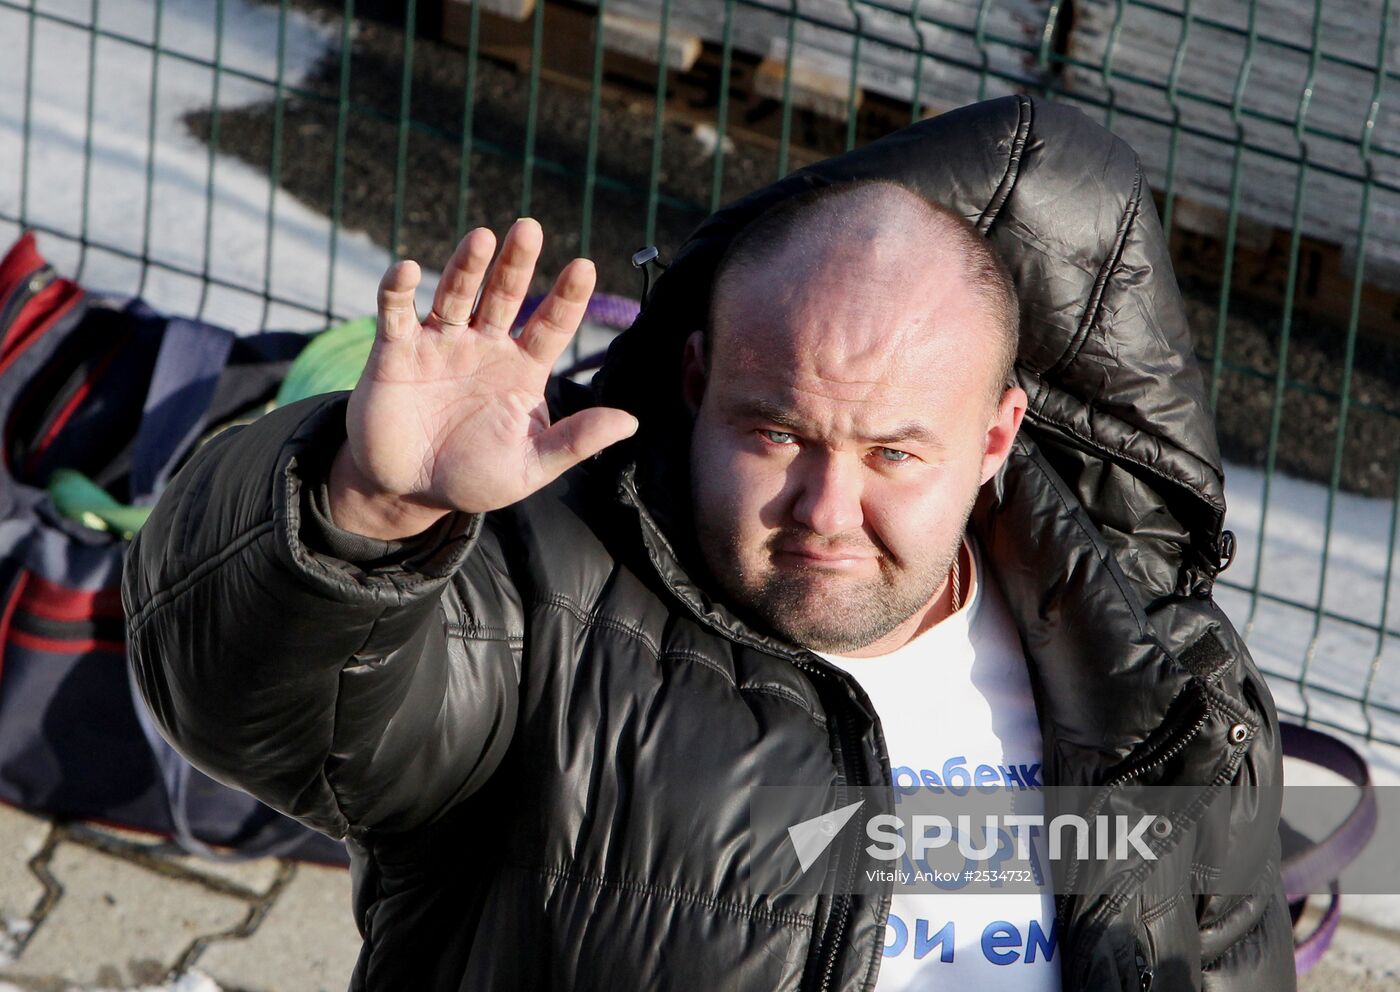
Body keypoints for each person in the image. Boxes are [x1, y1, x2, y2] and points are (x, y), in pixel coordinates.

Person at [123, 97, 1294, 990]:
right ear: (696, 379)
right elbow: (260, 708)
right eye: (777, 432)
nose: (825, 512)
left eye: (894, 453)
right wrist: (373, 513)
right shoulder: (545, 602)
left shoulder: (1152, 674)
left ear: (995, 435)